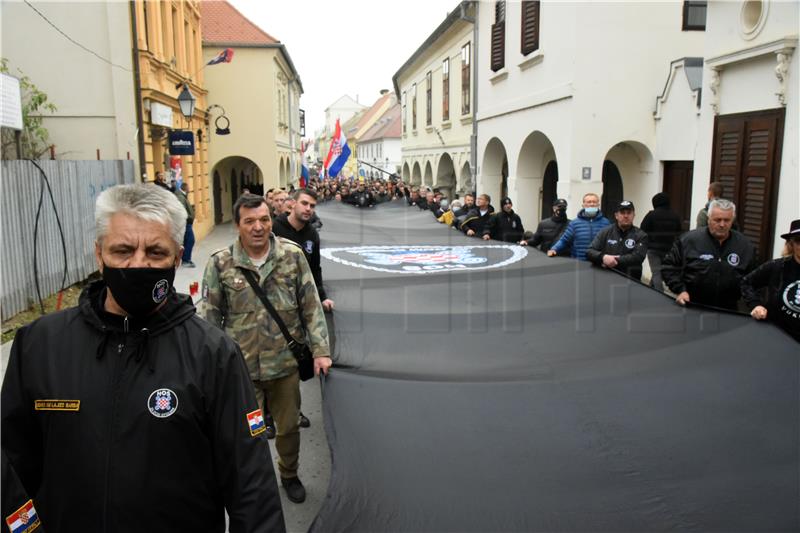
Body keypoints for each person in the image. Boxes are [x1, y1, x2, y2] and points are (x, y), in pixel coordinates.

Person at [1, 184, 285, 532]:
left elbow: (251, 485)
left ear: (178, 258)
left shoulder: (214, 354)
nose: (138, 264)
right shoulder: (39, 345)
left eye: (155, 252)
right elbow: (10, 467)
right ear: (98, 254)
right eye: (122, 250)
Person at [200, 194, 332, 505]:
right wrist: (210, 366)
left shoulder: (292, 256)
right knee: (251, 431)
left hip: (284, 367)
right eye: (250, 221)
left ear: (270, 220)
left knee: (287, 430)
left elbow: (310, 305)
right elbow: (209, 317)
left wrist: (321, 350)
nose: (258, 227)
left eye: (264, 220)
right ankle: (254, 481)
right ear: (238, 225)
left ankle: (289, 474)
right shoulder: (220, 263)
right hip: (242, 371)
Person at [662, 199, 757, 310]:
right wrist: (680, 290)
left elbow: (753, 279)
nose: (722, 224)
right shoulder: (689, 240)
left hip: (729, 310)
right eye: (717, 220)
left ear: (733, 220)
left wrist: (754, 304)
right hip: (693, 306)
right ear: (708, 219)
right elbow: (669, 267)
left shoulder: (745, 246)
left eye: (727, 220)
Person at [741, 219, 800, 342]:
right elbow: (747, 282)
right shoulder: (777, 267)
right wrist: (756, 305)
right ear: (791, 244)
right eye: (799, 241)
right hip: (776, 336)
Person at [586, 200, 648, 281]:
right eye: (622, 213)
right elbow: (590, 251)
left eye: (629, 213)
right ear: (616, 215)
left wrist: (615, 260)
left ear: (634, 215)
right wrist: (603, 257)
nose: (626, 216)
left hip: (632, 281)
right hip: (607, 279)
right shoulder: (605, 232)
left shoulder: (641, 235)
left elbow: (638, 257)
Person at [548, 192, 610, 260]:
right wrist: (554, 249)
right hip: (579, 263)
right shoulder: (575, 223)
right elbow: (564, 240)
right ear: (583, 205)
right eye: (589, 202)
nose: (592, 204)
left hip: (598, 262)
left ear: (598, 204)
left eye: (594, 202)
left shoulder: (606, 223)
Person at [640, 192, 683, 290]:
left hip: (653, 249)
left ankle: (660, 294)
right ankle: (651, 290)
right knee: (659, 272)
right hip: (669, 249)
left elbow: (642, 230)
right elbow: (679, 232)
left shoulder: (651, 215)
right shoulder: (675, 215)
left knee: (656, 273)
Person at [175, 181, 196, 267]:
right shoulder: (181, 196)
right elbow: (182, 210)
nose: (189, 189)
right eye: (188, 187)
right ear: (185, 188)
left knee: (186, 241)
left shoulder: (183, 196)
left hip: (187, 222)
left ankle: (185, 259)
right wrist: (189, 217)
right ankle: (186, 260)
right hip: (186, 223)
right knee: (190, 240)